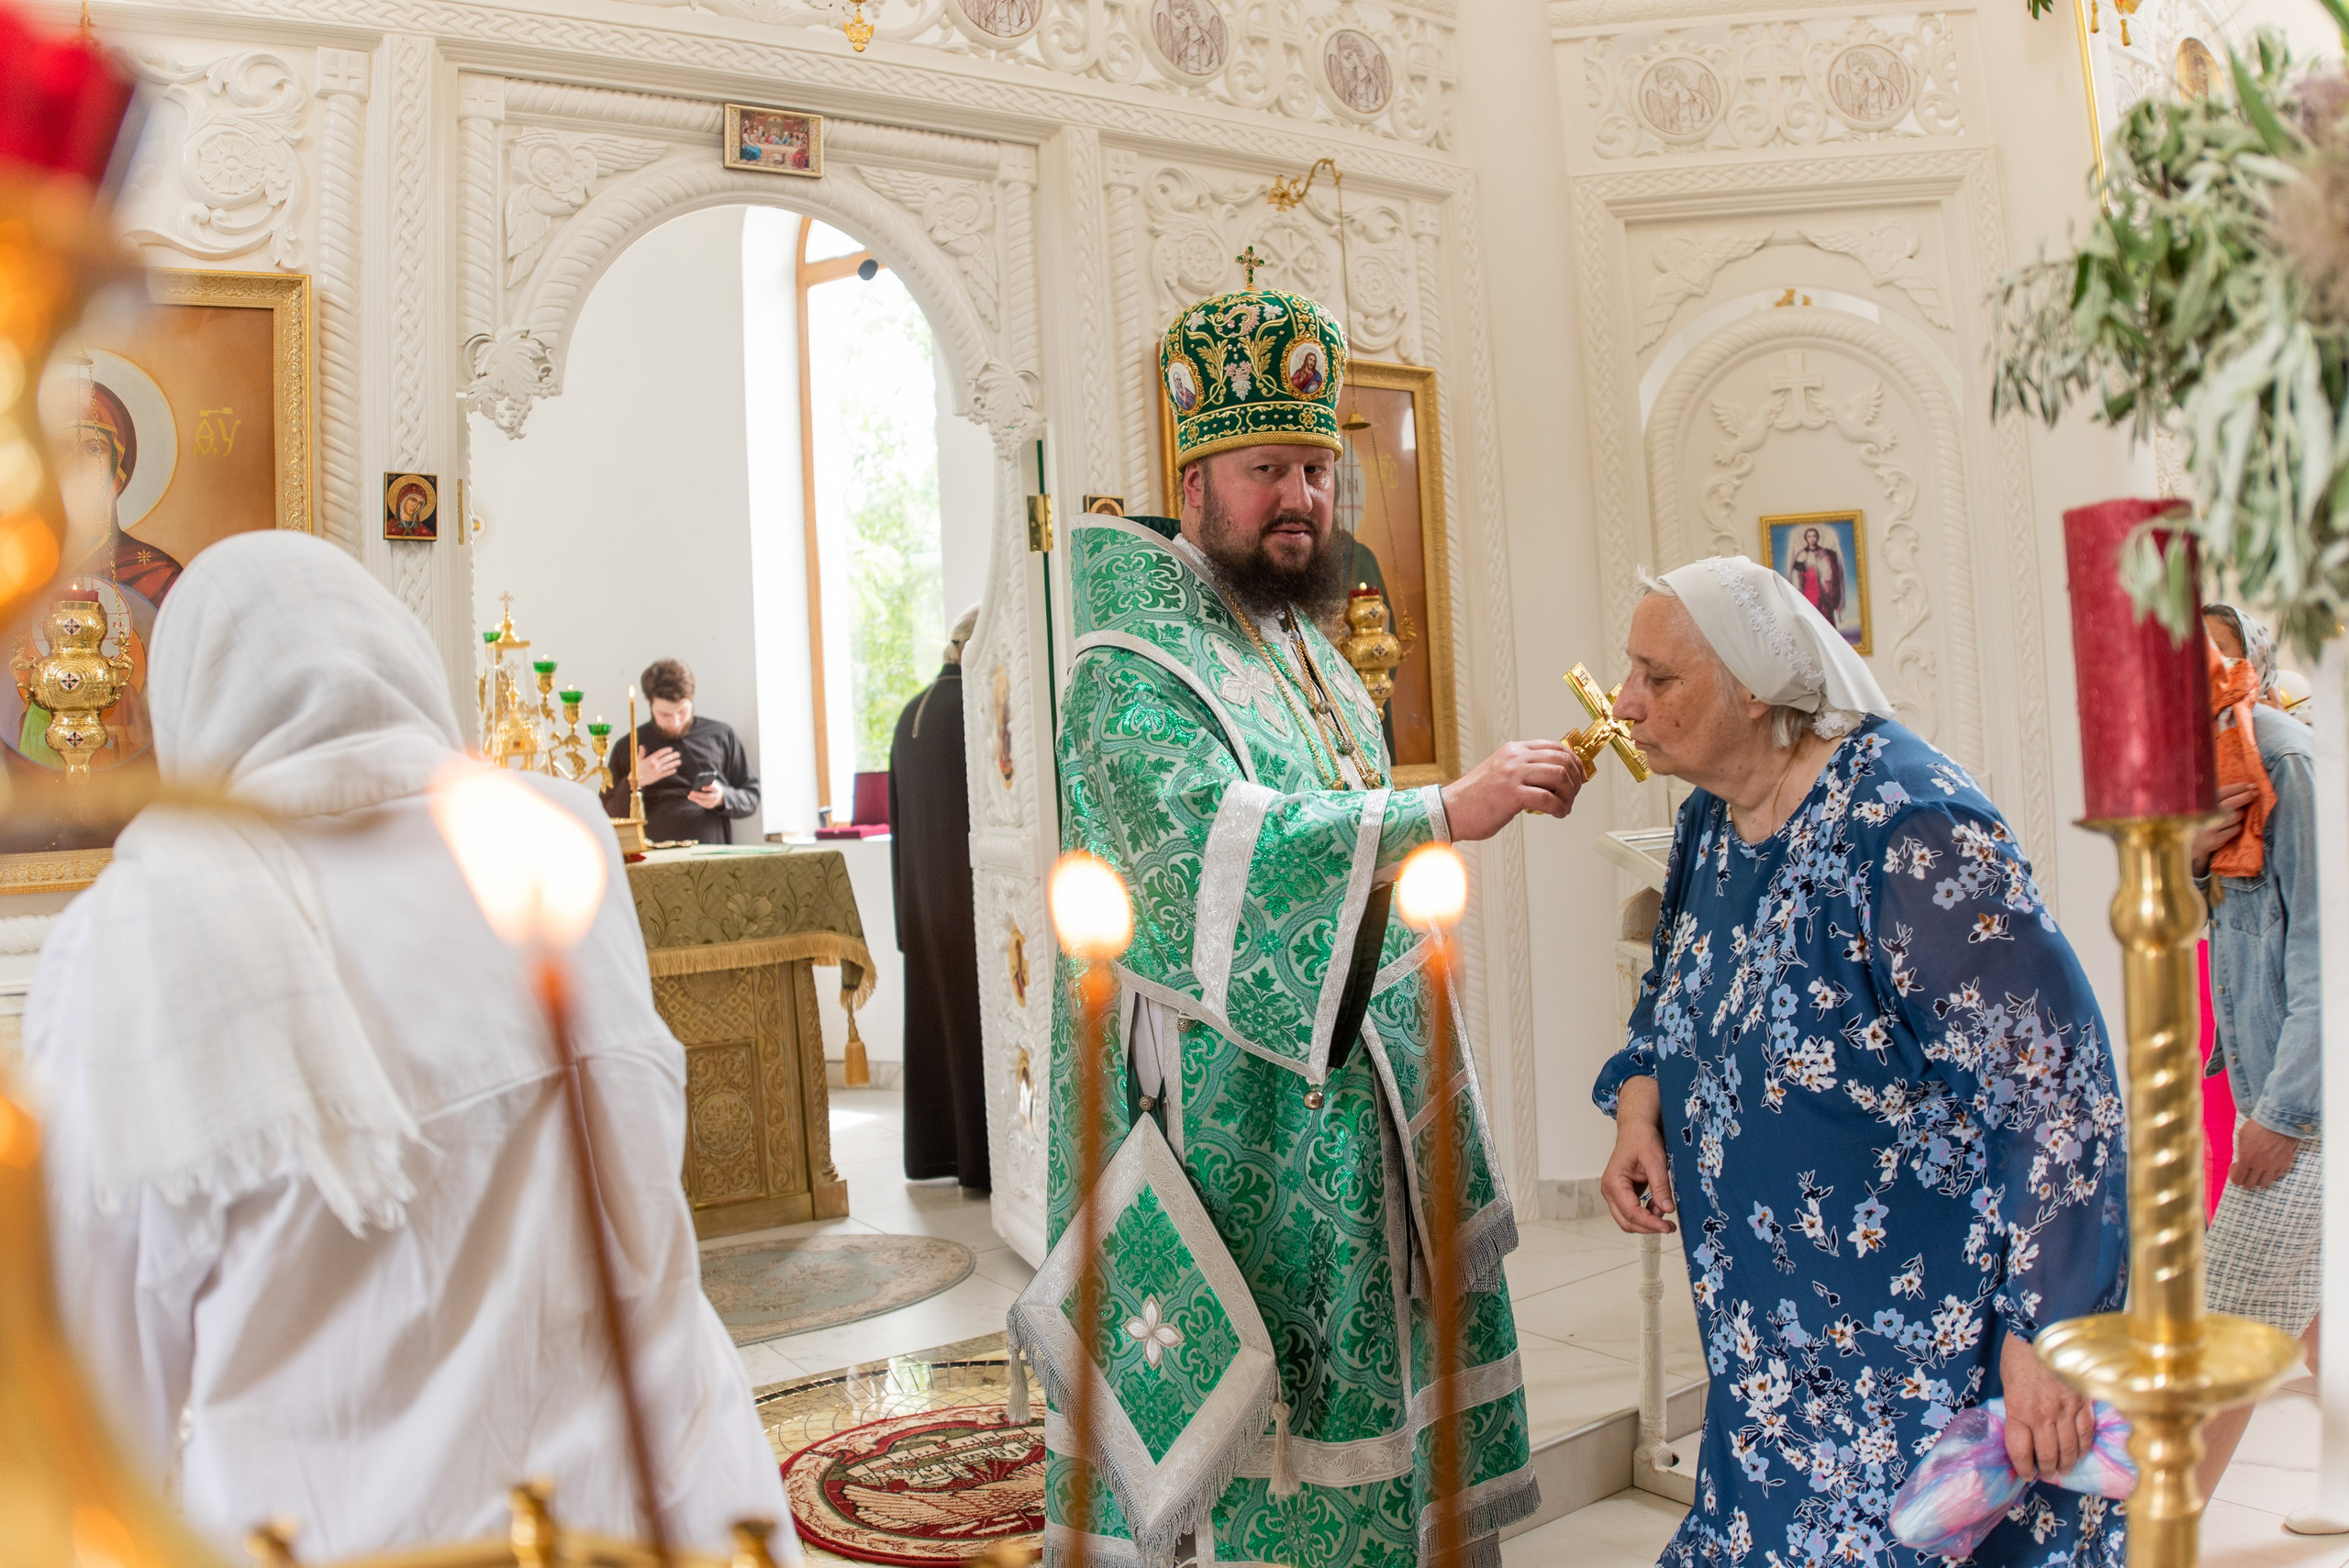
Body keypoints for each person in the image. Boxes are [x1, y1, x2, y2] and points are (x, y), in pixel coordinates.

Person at [25, 532, 787, 1558]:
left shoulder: (136, 930)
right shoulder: (552, 833)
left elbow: (93, 1383)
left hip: (340, 1527)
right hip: (657, 1499)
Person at [1041, 284, 1584, 1566]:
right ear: (1196, 472)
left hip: (1359, 1107)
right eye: (1268, 468)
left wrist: (1422, 823)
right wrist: (1441, 809)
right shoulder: (1129, 661)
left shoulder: (1309, 648)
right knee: (1261, 1443)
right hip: (1230, 1127)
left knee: (1376, 1407)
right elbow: (1201, 846)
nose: (1302, 498)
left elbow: (1342, 835)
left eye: (1320, 471)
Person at [1595, 557, 2129, 1568]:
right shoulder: (1711, 816)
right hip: (1772, 1358)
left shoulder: (1908, 826)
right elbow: (1671, 987)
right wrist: (1637, 1106)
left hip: (1924, 1358)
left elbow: (2057, 1096)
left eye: (1657, 677)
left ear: (1752, 686)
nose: (1625, 702)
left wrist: (2047, 1334)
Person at [2192, 601, 2321, 1503]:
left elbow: (2326, 945)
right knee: (2318, 1322)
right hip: (2268, 1077)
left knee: (2225, 1324)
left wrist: (2280, 1113)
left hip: (2305, 1093)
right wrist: (2187, 853)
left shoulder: (2280, 754)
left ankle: (2157, 1539)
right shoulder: (2208, 764)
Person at [889, 605, 987, 1190]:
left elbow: (897, 829)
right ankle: (980, 1162)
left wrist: (905, 920)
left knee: (936, 1029)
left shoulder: (909, 715)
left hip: (924, 906)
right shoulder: (980, 709)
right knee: (973, 1033)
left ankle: (939, 1154)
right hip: (974, 904)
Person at [601, 657, 760, 845]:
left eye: (682, 712)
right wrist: (634, 782)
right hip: (651, 863)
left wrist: (722, 797)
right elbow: (604, 814)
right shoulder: (628, 747)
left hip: (712, 855)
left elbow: (751, 796)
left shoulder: (721, 735)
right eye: (665, 714)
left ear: (691, 700)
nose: (675, 723)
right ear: (649, 703)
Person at [1788, 523, 1845, 628]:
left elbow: (1835, 577)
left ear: (1817, 537)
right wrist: (1797, 595)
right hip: (1809, 593)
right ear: (1806, 538)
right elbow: (1796, 577)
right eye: (1809, 536)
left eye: (1814, 536)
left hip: (1825, 594)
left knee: (1827, 623)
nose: (1812, 539)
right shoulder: (1802, 555)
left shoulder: (1827, 554)